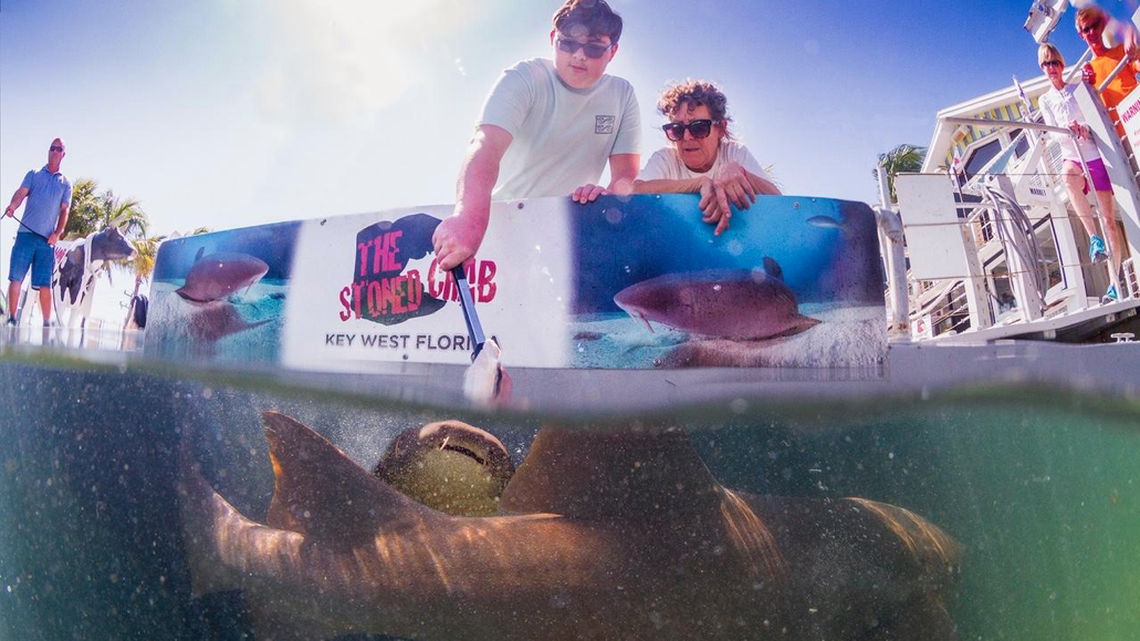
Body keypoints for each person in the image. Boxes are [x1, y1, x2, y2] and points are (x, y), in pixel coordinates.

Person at [432, 0, 640, 271]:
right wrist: (468, 219)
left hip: (567, 236)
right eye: (568, 43)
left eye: (593, 48)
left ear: (612, 52)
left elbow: (625, 176)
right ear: (553, 39)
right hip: (498, 225)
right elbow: (485, 145)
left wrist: (607, 196)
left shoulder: (623, 94)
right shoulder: (524, 77)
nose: (579, 55)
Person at [633, 80, 780, 235]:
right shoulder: (665, 158)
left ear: (721, 129)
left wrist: (742, 174)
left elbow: (781, 205)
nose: (687, 137)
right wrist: (698, 183)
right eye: (676, 129)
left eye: (699, 127)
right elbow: (634, 191)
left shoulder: (735, 153)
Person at [1037, 43, 1124, 301]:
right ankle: (1093, 238)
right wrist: (1069, 128)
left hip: (1094, 155)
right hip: (1072, 155)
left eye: (1054, 62)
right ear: (1042, 68)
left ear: (1061, 65)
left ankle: (1114, 284)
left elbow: (1096, 117)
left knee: (1109, 222)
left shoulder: (1078, 90)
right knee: (1067, 177)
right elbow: (1053, 132)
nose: (1051, 68)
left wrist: (1084, 126)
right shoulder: (1045, 100)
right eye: (1046, 64)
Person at [5, 138, 72, 326]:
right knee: (16, 277)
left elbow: (64, 210)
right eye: (52, 148)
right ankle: (12, 319)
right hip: (25, 236)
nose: (54, 151)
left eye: (58, 149)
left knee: (45, 284)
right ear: (48, 151)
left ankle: (46, 324)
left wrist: (57, 233)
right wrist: (12, 206)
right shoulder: (34, 174)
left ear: (63, 154)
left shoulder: (66, 183)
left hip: (46, 242)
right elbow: (21, 193)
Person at [1075, 6, 1140, 140]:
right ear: (1081, 35)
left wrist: (1132, 36)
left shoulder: (1122, 50)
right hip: (1123, 137)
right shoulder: (1087, 73)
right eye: (1086, 29)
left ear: (1101, 25)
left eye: (1095, 25)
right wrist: (1087, 85)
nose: (1092, 32)